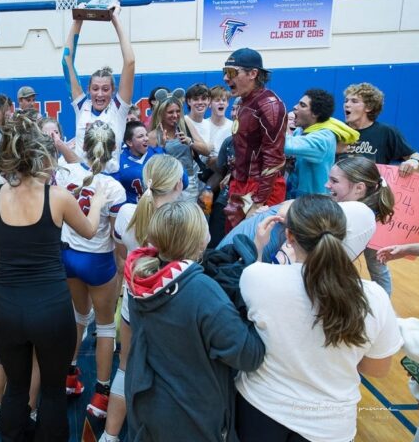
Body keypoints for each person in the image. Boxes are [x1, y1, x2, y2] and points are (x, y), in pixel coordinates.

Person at [0, 113, 105, 441]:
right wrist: (98, 203)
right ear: (44, 159)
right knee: (53, 390)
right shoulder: (57, 197)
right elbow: (88, 231)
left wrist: (13, 250)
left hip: (8, 309)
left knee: (16, 389)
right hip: (50, 309)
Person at [236, 196, 402, 442]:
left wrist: (258, 249)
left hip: (260, 409)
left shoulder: (256, 277)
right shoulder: (374, 296)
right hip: (330, 427)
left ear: (289, 236)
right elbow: (377, 369)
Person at [124, 201, 265, 442]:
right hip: (192, 416)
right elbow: (249, 355)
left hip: (147, 403)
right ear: (201, 239)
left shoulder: (139, 278)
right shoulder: (202, 291)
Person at [102, 154, 186, 442]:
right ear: (178, 184)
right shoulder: (188, 218)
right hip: (172, 309)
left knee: (125, 368)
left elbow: (122, 250)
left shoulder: (127, 213)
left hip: (133, 302)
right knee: (169, 376)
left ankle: (109, 437)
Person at [54, 121, 126, 418]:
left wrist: (61, 146)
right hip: (97, 261)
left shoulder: (64, 173)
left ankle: (69, 378)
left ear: (83, 146)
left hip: (67, 256)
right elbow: (116, 239)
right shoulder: (114, 188)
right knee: (106, 327)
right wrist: (121, 272)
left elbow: (75, 166)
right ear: (113, 150)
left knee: (79, 317)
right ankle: (102, 395)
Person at [63, 1, 135, 173]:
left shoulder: (118, 109)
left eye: (105, 89)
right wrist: (78, 19)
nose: (100, 94)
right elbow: (66, 61)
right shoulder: (82, 106)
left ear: (113, 91)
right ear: (88, 89)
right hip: (80, 179)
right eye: (95, 88)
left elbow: (130, 62)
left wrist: (115, 19)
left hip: (109, 180)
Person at [222, 48, 287, 229]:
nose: (226, 78)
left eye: (232, 73)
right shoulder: (244, 102)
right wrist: (233, 174)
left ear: (253, 73)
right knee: (232, 243)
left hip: (262, 188)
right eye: (225, 72)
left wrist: (258, 202)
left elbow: (274, 159)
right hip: (241, 183)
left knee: (253, 246)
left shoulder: (269, 105)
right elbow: (245, 146)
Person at [326, 156, 396, 295]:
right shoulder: (351, 206)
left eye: (334, 181)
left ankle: (383, 305)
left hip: (326, 280)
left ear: (359, 188)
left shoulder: (355, 214)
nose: (327, 185)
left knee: (377, 267)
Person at [284, 89, 347, 198]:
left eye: (302, 105)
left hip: (314, 204)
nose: (295, 107)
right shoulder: (300, 130)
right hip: (294, 196)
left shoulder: (324, 138)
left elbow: (287, 145)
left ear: (316, 114)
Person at [148, 95, 208, 202]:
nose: (175, 115)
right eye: (170, 112)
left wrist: (189, 142)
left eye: (178, 111)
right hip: (166, 184)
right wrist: (162, 146)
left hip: (189, 183)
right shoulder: (153, 136)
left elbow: (206, 151)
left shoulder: (185, 125)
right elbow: (150, 166)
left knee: (188, 218)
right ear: (161, 114)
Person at [114, 121, 163, 204]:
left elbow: (184, 180)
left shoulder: (157, 153)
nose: (146, 139)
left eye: (146, 135)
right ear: (129, 142)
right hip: (131, 210)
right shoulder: (119, 160)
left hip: (156, 209)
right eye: (140, 136)